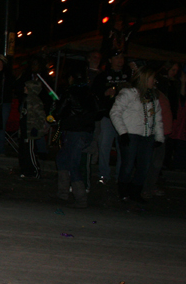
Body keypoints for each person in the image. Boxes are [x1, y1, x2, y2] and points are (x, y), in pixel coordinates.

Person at [110, 67, 163, 203]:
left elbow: (157, 118)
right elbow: (115, 112)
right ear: (145, 79)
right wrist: (123, 132)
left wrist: (158, 136)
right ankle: (123, 192)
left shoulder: (153, 97)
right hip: (131, 134)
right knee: (127, 165)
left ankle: (136, 192)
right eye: (152, 78)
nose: (154, 81)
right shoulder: (128, 93)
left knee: (144, 166)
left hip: (147, 136)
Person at [53, 66, 98, 207]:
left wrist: (55, 113)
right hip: (85, 132)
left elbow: (59, 111)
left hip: (74, 132)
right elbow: (100, 110)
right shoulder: (91, 93)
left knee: (73, 163)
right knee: (62, 158)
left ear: (71, 78)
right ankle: (63, 193)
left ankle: (81, 198)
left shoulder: (69, 92)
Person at [91, 51, 131, 185]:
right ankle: (103, 174)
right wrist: (105, 93)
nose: (120, 60)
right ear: (110, 60)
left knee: (123, 147)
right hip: (108, 116)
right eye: (116, 58)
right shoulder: (103, 76)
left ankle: (120, 175)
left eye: (122, 57)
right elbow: (95, 93)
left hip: (125, 117)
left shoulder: (129, 76)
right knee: (104, 145)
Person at [18, 80, 46, 179]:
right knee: (23, 152)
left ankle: (35, 170)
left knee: (30, 152)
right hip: (24, 130)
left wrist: (36, 127)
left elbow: (41, 117)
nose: (24, 89)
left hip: (30, 130)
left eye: (26, 87)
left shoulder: (34, 100)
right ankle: (25, 170)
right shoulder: (26, 99)